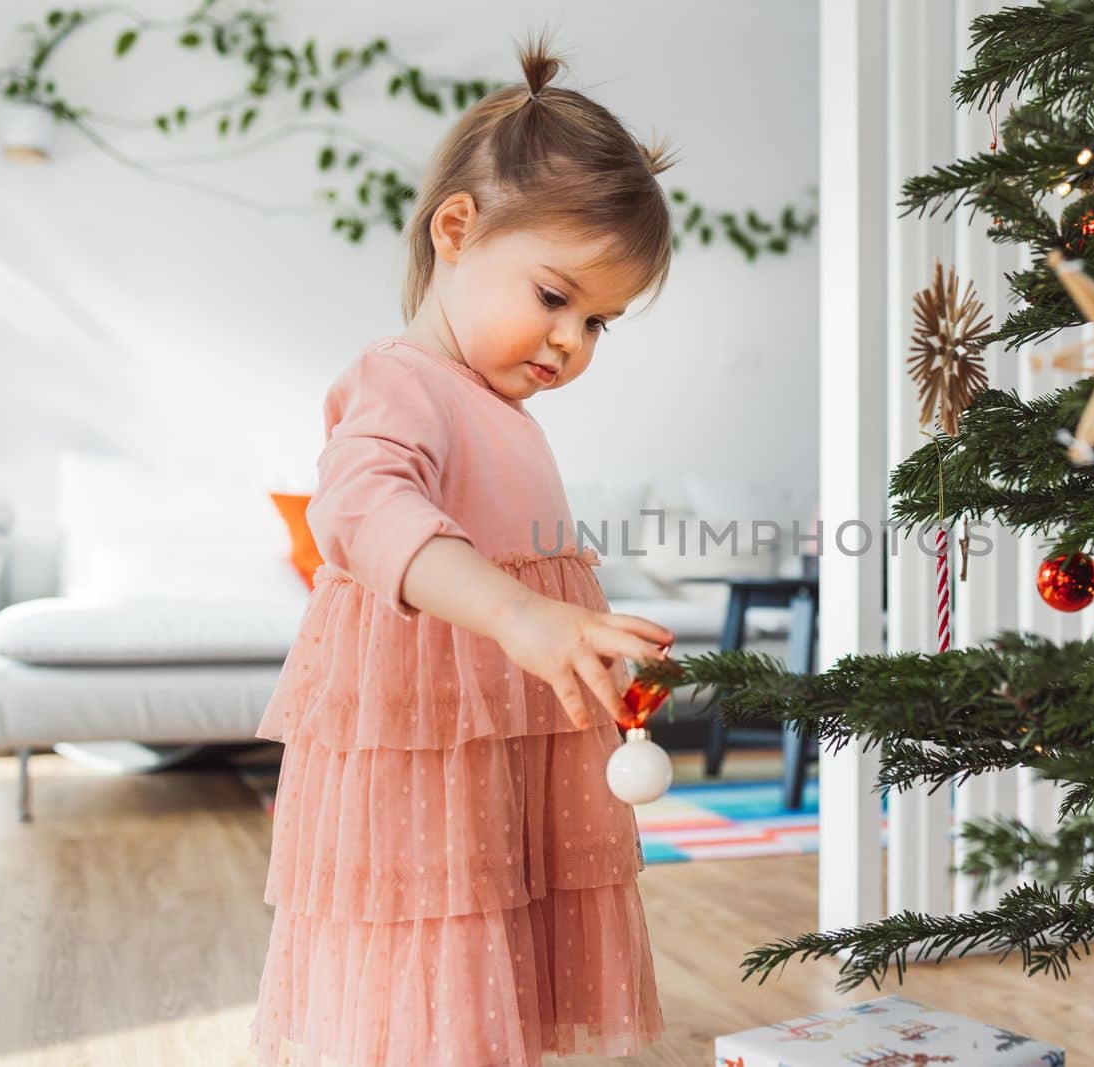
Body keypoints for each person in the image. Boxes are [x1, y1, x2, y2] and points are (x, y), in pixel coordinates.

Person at [247, 26, 679, 1067]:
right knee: (436, 940)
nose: (572, 341)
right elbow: (360, 508)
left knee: (503, 931)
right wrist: (521, 612)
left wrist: (572, 626)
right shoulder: (400, 381)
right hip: (424, 737)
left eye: (599, 322)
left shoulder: (497, 407)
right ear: (455, 229)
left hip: (499, 730)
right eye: (553, 297)